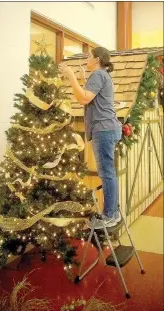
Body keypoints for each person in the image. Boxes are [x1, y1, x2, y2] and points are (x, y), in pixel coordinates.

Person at [59, 46, 122, 228]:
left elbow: (84, 99)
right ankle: (113, 212)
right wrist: (81, 79)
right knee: (109, 173)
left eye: (89, 56)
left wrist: (71, 77)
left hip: (103, 130)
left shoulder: (98, 75)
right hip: (107, 129)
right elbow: (89, 98)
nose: (87, 58)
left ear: (97, 60)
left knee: (106, 173)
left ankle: (110, 215)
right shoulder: (101, 76)